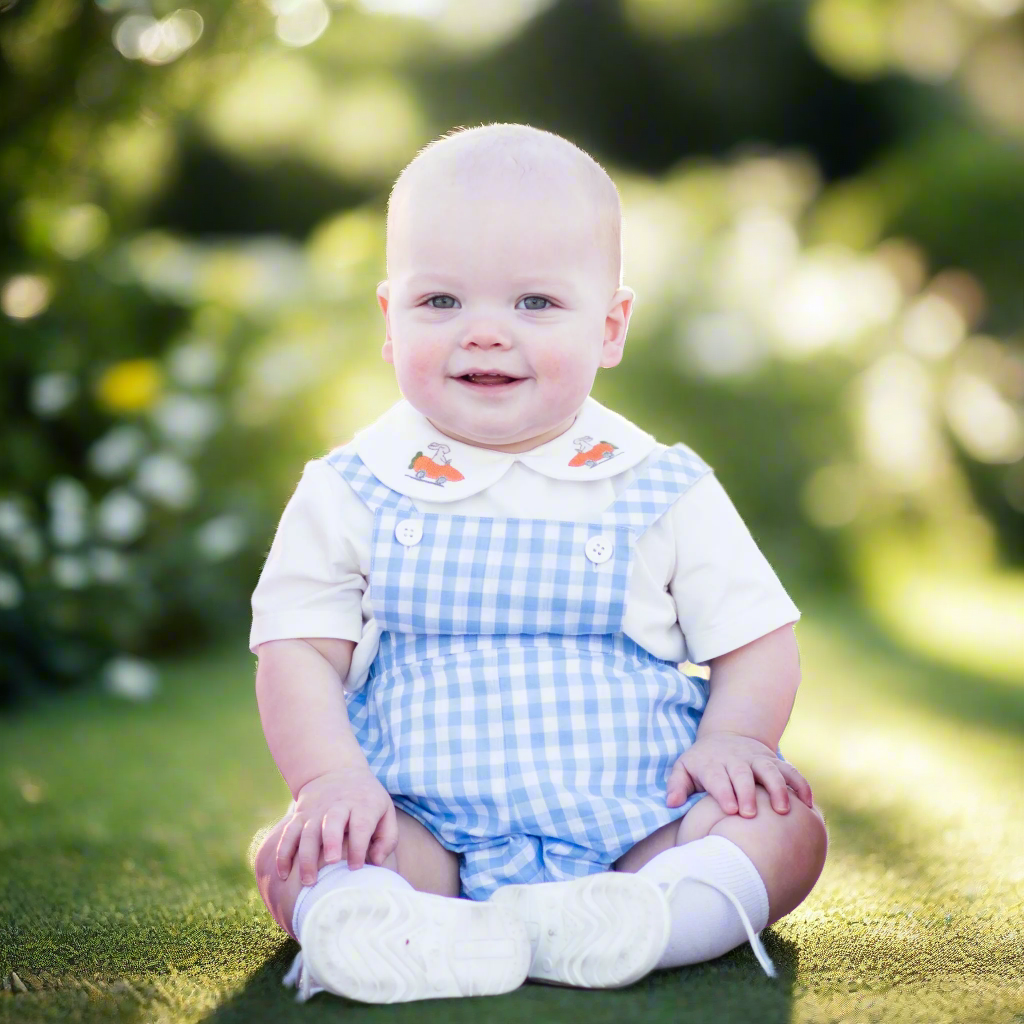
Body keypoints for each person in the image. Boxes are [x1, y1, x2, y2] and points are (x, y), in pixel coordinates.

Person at [249, 123, 828, 1005]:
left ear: (610, 327)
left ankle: (652, 919)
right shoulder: (352, 488)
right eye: (440, 302)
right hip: (421, 823)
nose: (484, 334)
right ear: (388, 318)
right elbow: (297, 651)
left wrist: (735, 738)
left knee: (784, 830)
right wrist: (331, 781)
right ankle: (395, 921)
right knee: (300, 851)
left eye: (534, 304)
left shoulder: (661, 484)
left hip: (641, 819)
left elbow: (754, 634)